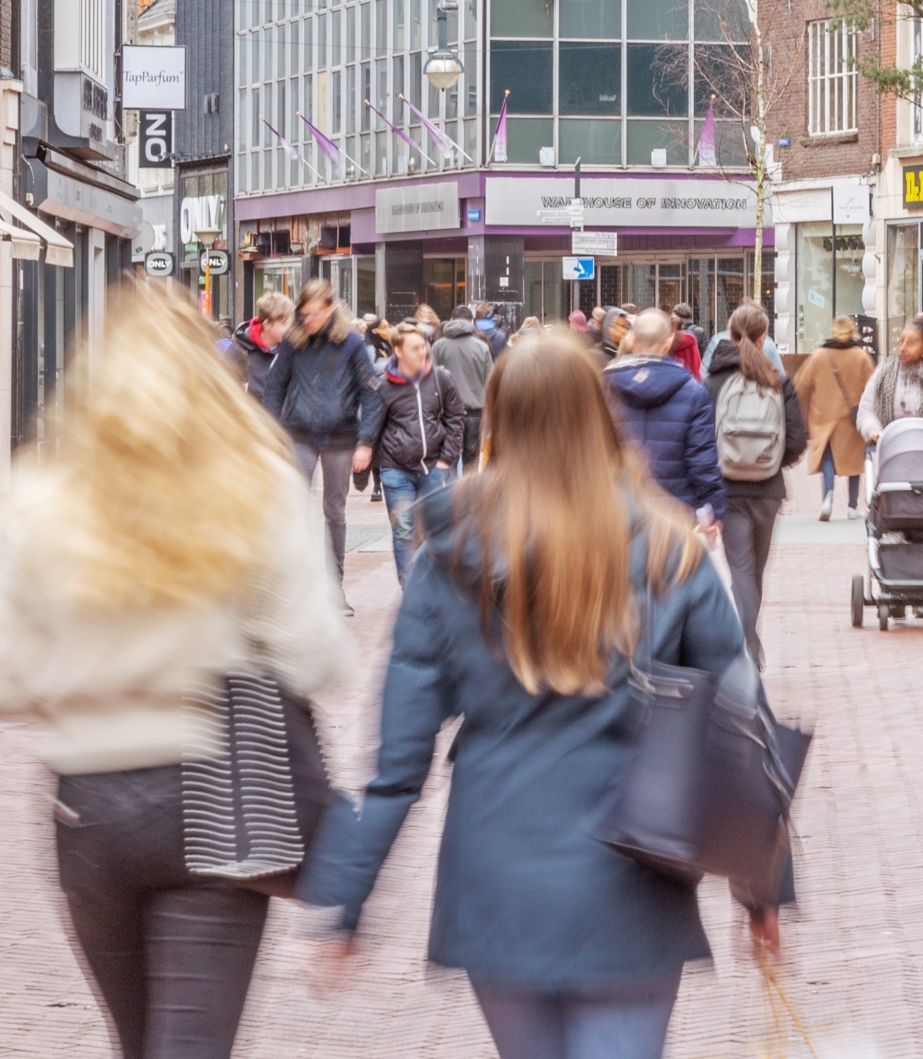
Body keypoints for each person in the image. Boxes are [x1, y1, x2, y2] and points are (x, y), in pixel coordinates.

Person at [299, 335, 779, 1059]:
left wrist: (347, 901)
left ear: (496, 422)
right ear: (600, 414)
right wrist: (762, 888)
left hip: (498, 876)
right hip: (633, 878)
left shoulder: (449, 559)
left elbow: (397, 765)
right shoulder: (672, 551)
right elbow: (743, 727)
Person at [0, 285, 351, 1059]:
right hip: (218, 796)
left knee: (137, 1041)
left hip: (89, 809)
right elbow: (314, 654)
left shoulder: (38, 494)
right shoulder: (258, 483)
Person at [259, 278, 380, 606]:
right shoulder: (293, 343)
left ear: (329, 309)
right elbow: (274, 388)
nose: (307, 320)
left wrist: (366, 441)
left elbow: (371, 393)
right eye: (303, 313)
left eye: (313, 313)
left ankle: (333, 587)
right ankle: (296, 586)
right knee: (295, 507)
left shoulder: (352, 345)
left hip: (340, 438)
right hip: (299, 434)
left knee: (335, 512)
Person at [704, 303, 807, 665]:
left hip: (727, 489)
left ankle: (748, 644)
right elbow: (797, 438)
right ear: (764, 337)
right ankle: (751, 641)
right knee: (756, 572)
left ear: (728, 334)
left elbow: (702, 437)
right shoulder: (778, 381)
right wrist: (773, 462)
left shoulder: (714, 381)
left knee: (741, 572)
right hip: (767, 491)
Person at [604, 308, 726, 526]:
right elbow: (702, 461)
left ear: (630, 340)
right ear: (668, 343)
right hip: (677, 517)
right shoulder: (693, 392)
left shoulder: (603, 388)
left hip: (617, 513)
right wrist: (712, 510)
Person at [370, 325, 466, 583]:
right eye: (415, 348)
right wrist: (372, 470)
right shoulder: (383, 385)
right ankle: (410, 589)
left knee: (435, 530)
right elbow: (373, 427)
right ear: (398, 350)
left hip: (434, 468)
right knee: (403, 530)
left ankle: (434, 587)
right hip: (396, 470)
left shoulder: (440, 377)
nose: (422, 351)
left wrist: (446, 459)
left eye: (424, 345)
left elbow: (456, 416)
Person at [793, 316, 875, 520]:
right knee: (855, 461)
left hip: (824, 416)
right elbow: (874, 387)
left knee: (828, 457)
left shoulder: (820, 355)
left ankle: (827, 498)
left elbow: (801, 384)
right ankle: (852, 506)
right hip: (852, 418)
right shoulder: (861, 357)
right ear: (852, 331)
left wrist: (803, 411)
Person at [856, 317, 923, 446]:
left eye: (911, 343)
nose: (902, 348)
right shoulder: (882, 373)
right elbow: (866, 412)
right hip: (891, 454)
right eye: (901, 341)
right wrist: (874, 431)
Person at [432, 305, 496, 466]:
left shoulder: (438, 346)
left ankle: (451, 490)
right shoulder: (482, 347)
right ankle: (468, 491)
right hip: (475, 411)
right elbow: (491, 383)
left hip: (446, 412)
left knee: (448, 459)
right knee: (472, 459)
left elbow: (430, 379)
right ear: (472, 321)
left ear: (451, 320)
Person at [222, 290, 294, 397]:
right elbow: (221, 388)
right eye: (284, 324)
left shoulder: (293, 350)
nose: (289, 329)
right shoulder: (240, 350)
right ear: (267, 324)